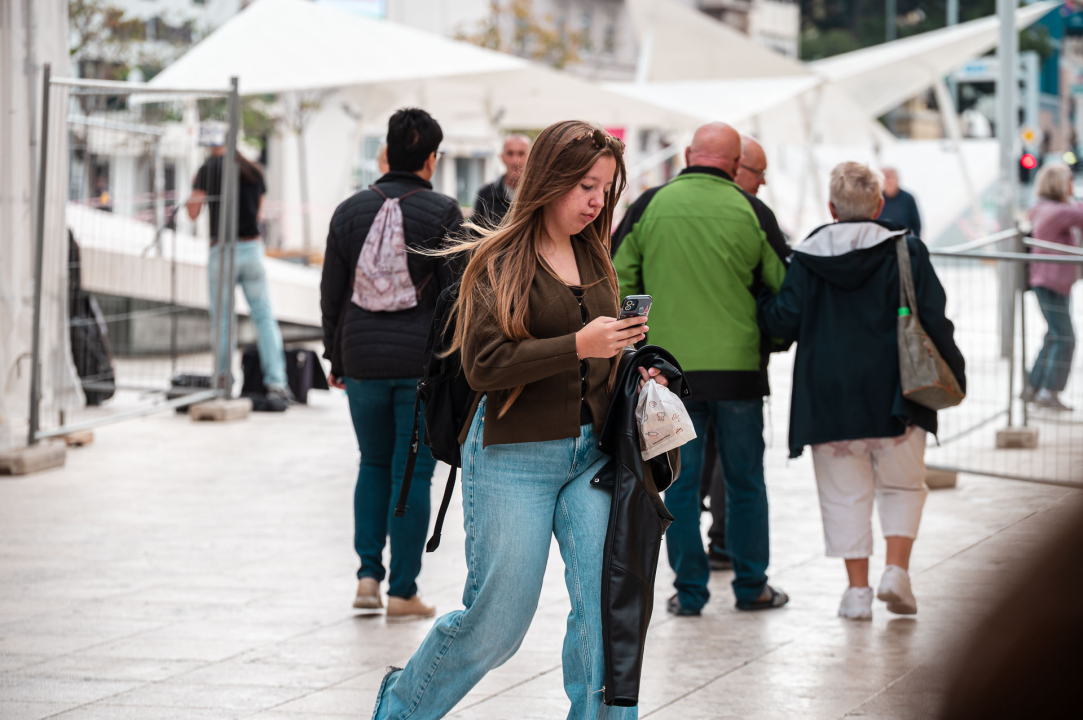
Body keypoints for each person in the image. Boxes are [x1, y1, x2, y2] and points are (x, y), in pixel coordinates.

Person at [371, 120, 660, 720]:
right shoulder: (498, 257)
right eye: (585, 185)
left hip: (595, 456)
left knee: (605, 610)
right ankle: (401, 707)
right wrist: (580, 344)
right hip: (513, 454)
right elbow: (483, 366)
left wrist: (632, 363)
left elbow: (596, 353)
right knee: (497, 624)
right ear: (550, 179)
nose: (596, 201)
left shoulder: (596, 256)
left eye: (605, 189)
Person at [758, 162, 965, 621]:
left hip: (827, 398)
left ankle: (856, 593)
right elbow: (934, 317)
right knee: (903, 486)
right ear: (878, 204)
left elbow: (782, 322)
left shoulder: (807, 258)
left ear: (831, 208)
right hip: (898, 392)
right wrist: (956, 373)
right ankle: (896, 571)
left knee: (843, 494)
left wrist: (758, 297)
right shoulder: (908, 250)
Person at [613, 122, 789, 616]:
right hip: (738, 373)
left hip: (669, 378)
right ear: (735, 165)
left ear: (689, 154)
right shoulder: (753, 211)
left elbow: (618, 278)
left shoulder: (649, 206)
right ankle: (752, 586)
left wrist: (639, 352)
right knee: (746, 481)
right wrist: (771, 338)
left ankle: (689, 592)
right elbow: (786, 286)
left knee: (680, 485)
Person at [320, 108, 463, 622]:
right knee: (413, 472)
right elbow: (455, 296)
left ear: (387, 151)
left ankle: (366, 576)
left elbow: (332, 295)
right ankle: (403, 590)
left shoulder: (349, 211)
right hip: (419, 365)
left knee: (372, 463)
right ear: (430, 159)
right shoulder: (444, 211)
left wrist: (334, 356)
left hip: (361, 359)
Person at [186, 135, 290, 401]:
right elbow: (257, 213)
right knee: (264, 318)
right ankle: (276, 382)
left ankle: (223, 381)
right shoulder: (254, 169)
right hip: (252, 249)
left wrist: (196, 184)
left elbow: (192, 212)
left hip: (222, 250)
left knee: (223, 321)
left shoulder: (209, 168)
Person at [1022, 162, 1080, 412]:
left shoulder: (1043, 208)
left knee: (1055, 334)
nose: (1072, 185)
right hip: (1051, 282)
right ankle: (1048, 391)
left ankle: (1033, 387)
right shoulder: (1058, 211)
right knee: (1065, 336)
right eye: (1069, 180)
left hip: (1052, 282)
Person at [472, 134, 530, 229]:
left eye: (521, 153)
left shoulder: (539, 193)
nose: (515, 161)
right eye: (510, 153)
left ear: (530, 157)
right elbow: (476, 236)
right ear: (502, 157)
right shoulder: (485, 194)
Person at [879, 167, 922, 237]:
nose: (888, 181)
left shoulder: (908, 198)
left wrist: (916, 243)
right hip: (883, 242)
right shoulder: (877, 200)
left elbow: (916, 224)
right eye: (885, 177)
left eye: (890, 177)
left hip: (905, 241)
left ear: (897, 179)